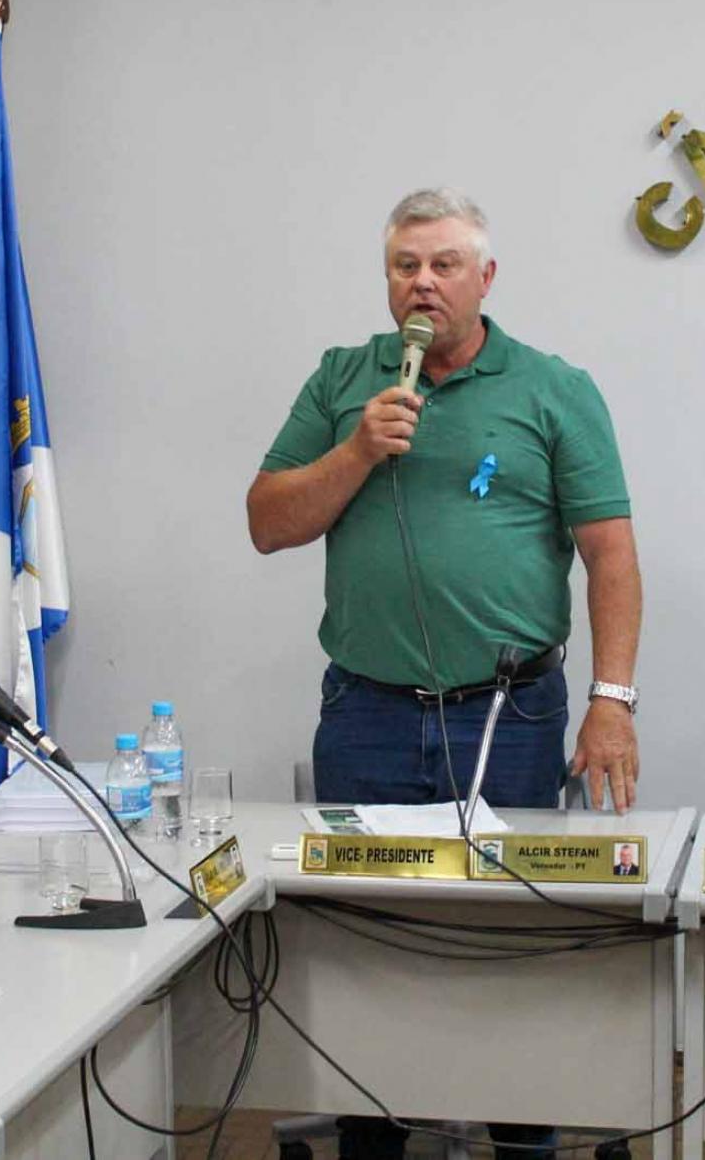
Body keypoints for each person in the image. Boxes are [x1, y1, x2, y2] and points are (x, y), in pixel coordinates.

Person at [247, 187, 643, 1160]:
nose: (421, 282)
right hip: (367, 716)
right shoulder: (344, 379)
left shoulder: (554, 389)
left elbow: (611, 556)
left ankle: (522, 1142)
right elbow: (267, 522)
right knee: (369, 951)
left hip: (507, 717)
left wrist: (611, 701)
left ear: (485, 277)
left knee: (507, 954)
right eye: (404, 265)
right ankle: (372, 1140)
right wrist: (357, 448)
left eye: (443, 264)